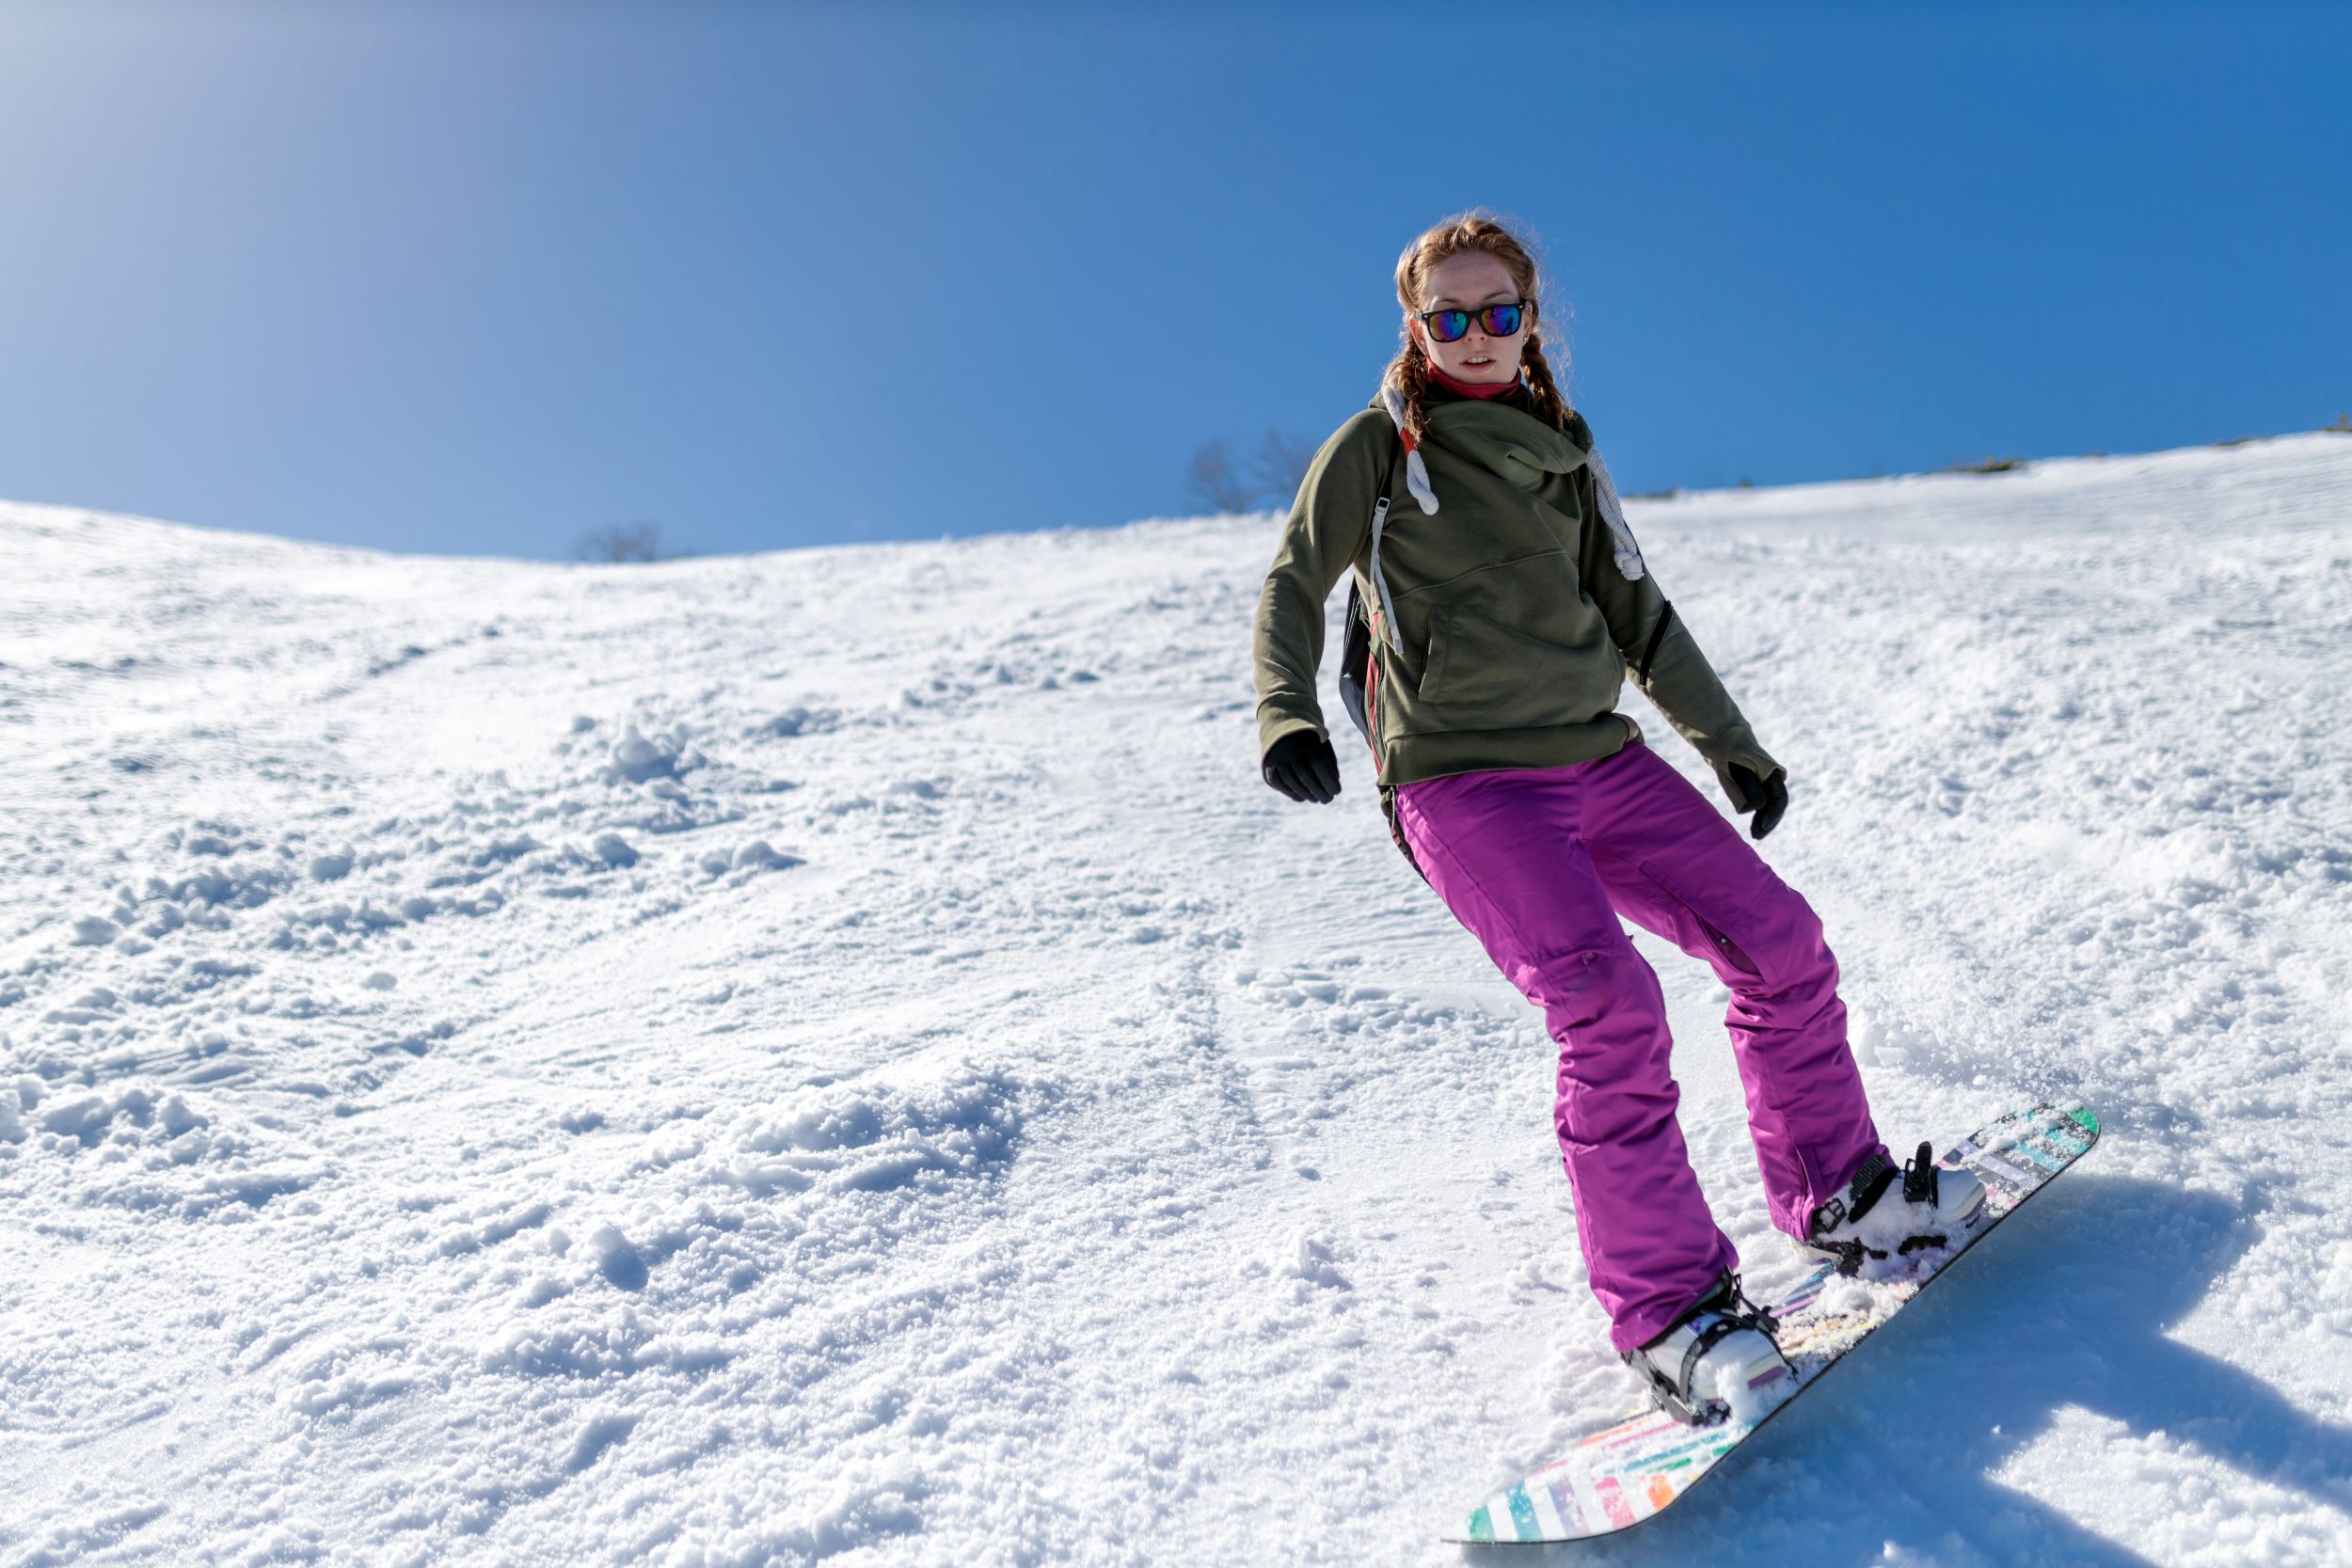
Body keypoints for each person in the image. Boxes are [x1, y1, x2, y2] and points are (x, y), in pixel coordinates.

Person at [1249, 211, 1986, 1426]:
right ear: (1416, 326)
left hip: (1599, 761)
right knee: (1606, 1002)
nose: (1477, 336)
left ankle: (1839, 1191)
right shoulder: (1382, 450)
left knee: (1781, 942)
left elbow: (1642, 617)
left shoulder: (1565, 456)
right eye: (1452, 317)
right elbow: (1293, 578)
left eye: (1500, 313)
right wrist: (1289, 716)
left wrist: (1733, 749)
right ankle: (1673, 1315)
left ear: (1530, 322)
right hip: (1462, 783)